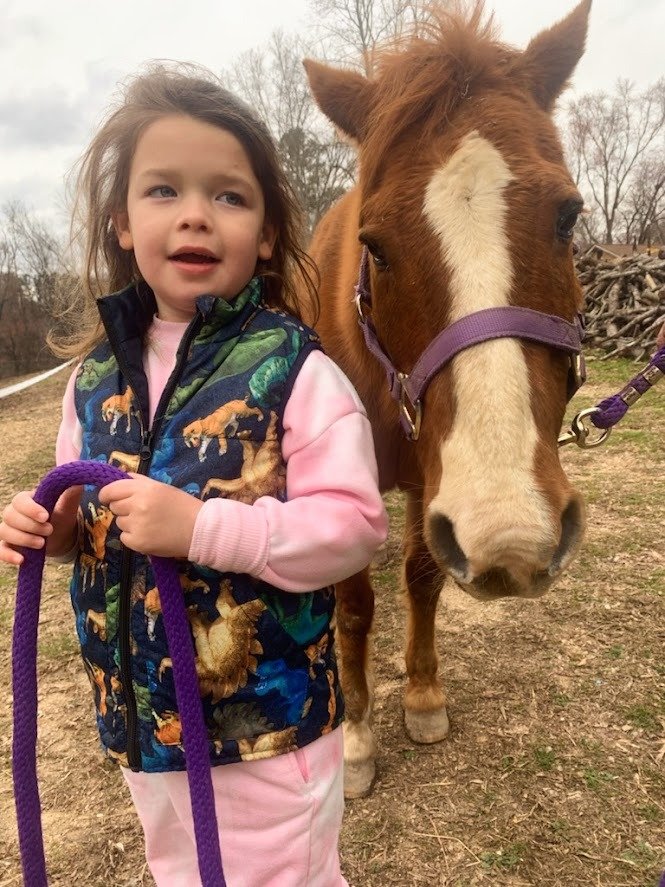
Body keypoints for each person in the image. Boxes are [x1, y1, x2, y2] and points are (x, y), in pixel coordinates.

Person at [0, 63, 388, 887]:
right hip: (143, 721)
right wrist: (59, 529)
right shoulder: (94, 377)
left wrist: (206, 528)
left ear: (270, 232)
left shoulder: (297, 372)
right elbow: (87, 509)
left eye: (229, 196)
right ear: (121, 223)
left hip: (266, 733)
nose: (195, 215)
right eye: (164, 190)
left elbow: (354, 527)